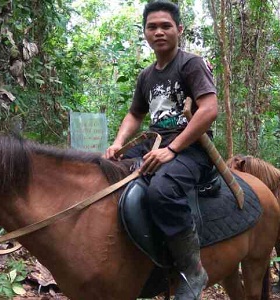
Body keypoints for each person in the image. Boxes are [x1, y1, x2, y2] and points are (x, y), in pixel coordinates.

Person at [103, 1, 216, 299]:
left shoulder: (191, 64)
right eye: (152, 27)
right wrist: (117, 143)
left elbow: (209, 110)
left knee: (162, 191)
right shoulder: (146, 76)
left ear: (179, 29)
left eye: (166, 26)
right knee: (104, 173)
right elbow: (135, 115)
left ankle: (192, 270)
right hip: (153, 141)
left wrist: (173, 149)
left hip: (192, 148)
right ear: (145, 33)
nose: (159, 32)